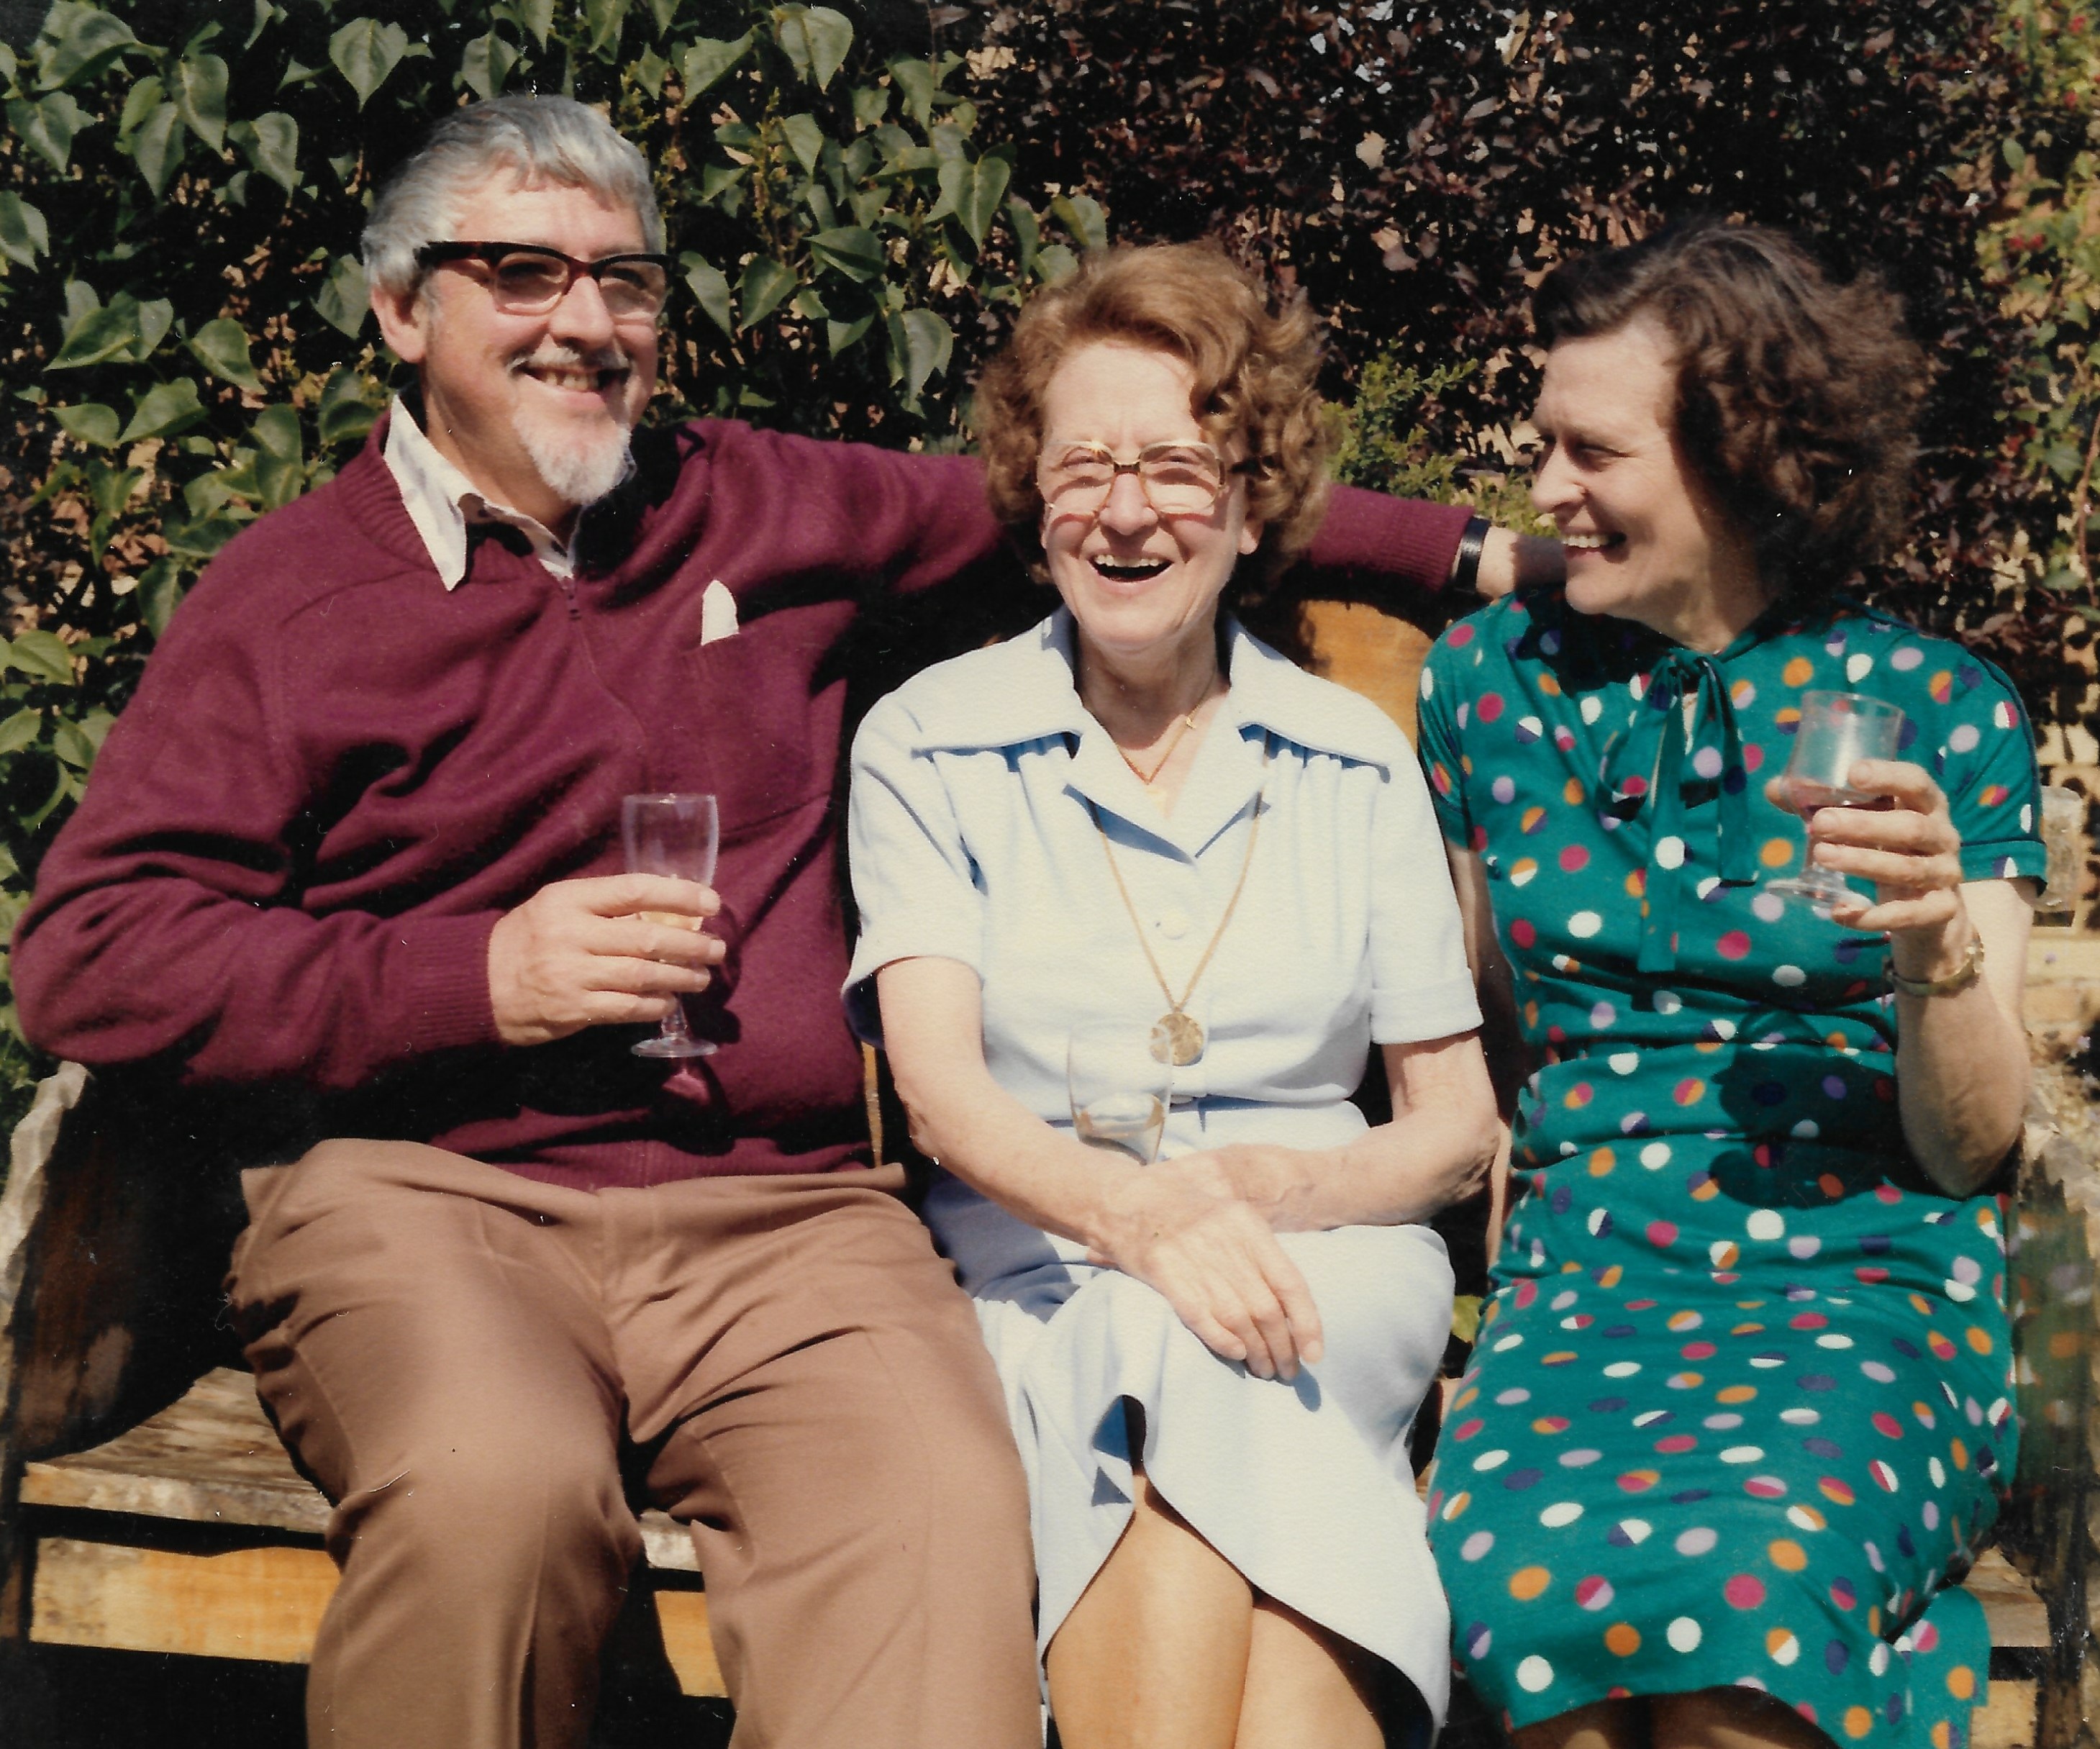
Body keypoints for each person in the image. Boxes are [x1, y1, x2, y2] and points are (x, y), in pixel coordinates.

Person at [11, 99, 1548, 1749]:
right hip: (434, 1197)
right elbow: (90, 953)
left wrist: (1486, 553)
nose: (585, 322)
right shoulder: (294, 596)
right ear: (402, 311)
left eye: (626, 282)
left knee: (942, 1516)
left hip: (791, 1222)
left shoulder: (756, 503)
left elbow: (1130, 479)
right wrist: (476, 973)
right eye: (521, 273)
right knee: (492, 1500)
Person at [844, 241, 1501, 1749]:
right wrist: (1138, 1218)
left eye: (1175, 464)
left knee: (1192, 1349)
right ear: (1031, 498)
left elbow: (1450, 1122)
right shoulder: (930, 742)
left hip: (1314, 1264)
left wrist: (1270, 1183)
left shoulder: (1351, 758)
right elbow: (941, 1090)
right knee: (1145, 1339)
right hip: (1044, 1273)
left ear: (1252, 497)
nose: (1124, 509)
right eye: (1081, 466)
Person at [1414, 219, 2045, 1749]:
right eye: (1540, 442)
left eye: (1590, 450)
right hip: (1586, 1266)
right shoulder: (1485, 687)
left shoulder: (1934, 710)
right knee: (1498, 1596)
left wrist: (1929, 947)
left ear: (1743, 457)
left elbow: (1968, 1146)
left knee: (1752, 1598)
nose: (1545, 489)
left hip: (1859, 1272)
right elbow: (1482, 1045)